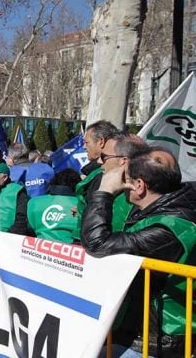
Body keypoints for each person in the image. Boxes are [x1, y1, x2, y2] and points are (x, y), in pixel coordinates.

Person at [81, 149, 196, 357]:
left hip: (158, 340)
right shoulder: (160, 208)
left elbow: (97, 244)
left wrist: (104, 192)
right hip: (137, 328)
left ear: (139, 185)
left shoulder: (171, 227)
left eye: (124, 179)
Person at [71, 120, 119, 242]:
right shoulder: (94, 174)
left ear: (101, 142)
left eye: (87, 142)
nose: (84, 147)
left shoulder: (104, 175)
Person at [27, 169, 81, 243]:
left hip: (39, 248)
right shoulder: (81, 205)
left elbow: (28, 228)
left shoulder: (34, 202)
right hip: (71, 249)